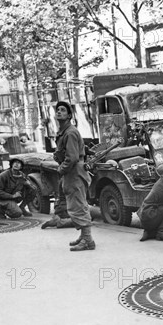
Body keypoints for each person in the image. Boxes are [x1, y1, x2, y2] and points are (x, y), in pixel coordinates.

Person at [53, 101, 95, 251]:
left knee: (79, 205)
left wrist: (60, 169)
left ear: (69, 116)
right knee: (75, 204)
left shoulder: (70, 132)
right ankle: (84, 236)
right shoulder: (64, 132)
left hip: (74, 172)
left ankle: (88, 240)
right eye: (58, 110)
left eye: (63, 110)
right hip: (72, 172)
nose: (59, 112)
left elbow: (71, 158)